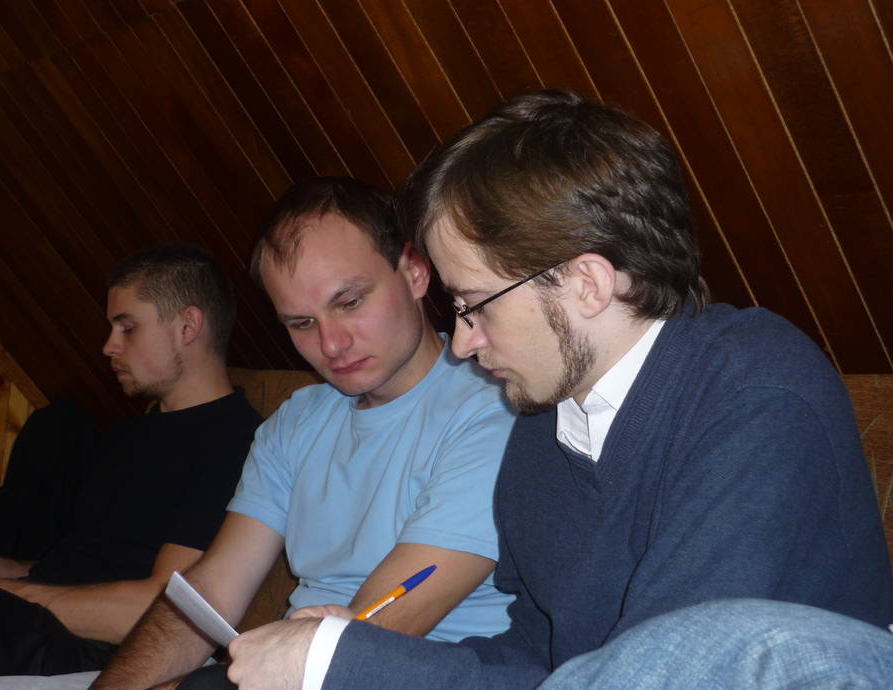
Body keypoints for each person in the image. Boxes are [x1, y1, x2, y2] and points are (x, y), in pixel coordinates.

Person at [100, 90, 893, 689]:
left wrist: (346, 664)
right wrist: (345, 652)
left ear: (585, 284)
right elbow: (536, 661)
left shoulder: (753, 388)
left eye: (475, 304)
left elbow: (684, 664)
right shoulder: (545, 436)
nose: (465, 341)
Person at [91, 177, 517, 688]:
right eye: (301, 324)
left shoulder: (495, 409)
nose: (332, 345)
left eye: (350, 302)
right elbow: (212, 590)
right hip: (296, 662)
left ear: (415, 272)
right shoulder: (296, 422)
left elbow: (379, 632)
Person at [0, 243, 263, 677]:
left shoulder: (238, 443)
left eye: (127, 328)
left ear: (188, 326)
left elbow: (162, 609)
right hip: (34, 625)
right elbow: (75, 568)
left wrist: (1, 592)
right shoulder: (123, 436)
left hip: (102, 650)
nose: (109, 346)